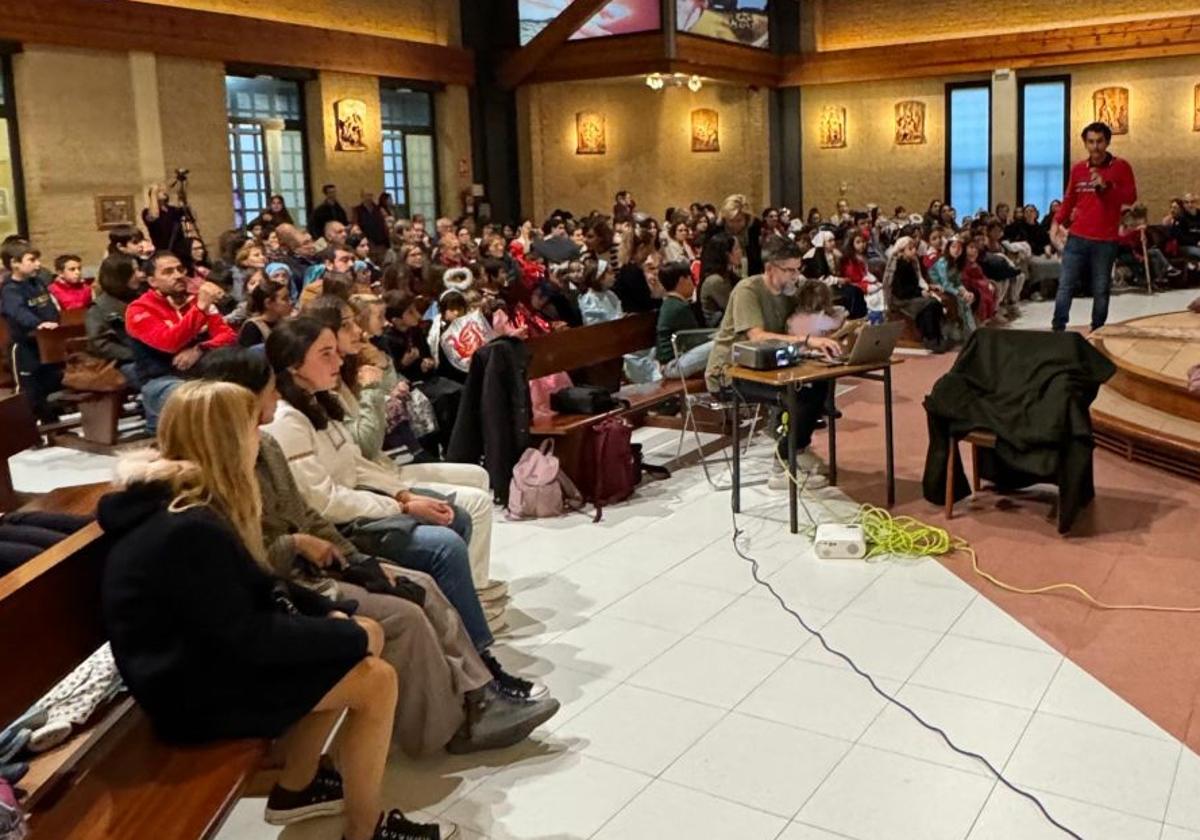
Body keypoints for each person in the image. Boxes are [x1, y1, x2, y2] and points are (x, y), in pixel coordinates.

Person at [99, 379, 453, 840]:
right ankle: (364, 831)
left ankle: (298, 785)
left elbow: (254, 585)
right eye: (251, 429)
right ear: (226, 441)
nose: (260, 439)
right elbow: (247, 635)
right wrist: (346, 633)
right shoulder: (185, 527)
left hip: (199, 665)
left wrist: (327, 610)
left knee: (352, 645)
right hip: (188, 692)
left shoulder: (189, 504)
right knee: (374, 679)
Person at [196, 348, 559, 757]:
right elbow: (251, 555)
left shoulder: (268, 441)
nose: (276, 395)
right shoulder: (242, 453)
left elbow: (310, 511)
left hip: (325, 548)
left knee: (418, 582)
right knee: (409, 607)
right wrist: (308, 542)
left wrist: (356, 559)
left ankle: (480, 691)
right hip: (288, 583)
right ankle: (447, 727)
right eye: (326, 351)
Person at [262, 319, 535, 663]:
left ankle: (456, 631)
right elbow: (326, 502)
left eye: (336, 351)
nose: (339, 361)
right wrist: (401, 508)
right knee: (446, 545)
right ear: (293, 364)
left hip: (359, 503)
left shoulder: (317, 402)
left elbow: (357, 462)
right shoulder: (288, 420)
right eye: (325, 354)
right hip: (336, 529)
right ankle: (481, 658)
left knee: (458, 516)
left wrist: (405, 496)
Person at [704, 236, 842, 490]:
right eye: (789, 270)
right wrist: (807, 340)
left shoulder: (787, 294)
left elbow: (792, 332)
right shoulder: (748, 290)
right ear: (770, 268)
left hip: (769, 369)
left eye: (797, 269)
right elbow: (757, 337)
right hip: (730, 373)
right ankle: (782, 464)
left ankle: (797, 447)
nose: (795, 276)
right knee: (799, 392)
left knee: (819, 382)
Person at [125, 251, 237, 433]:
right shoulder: (139, 310)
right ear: (152, 281)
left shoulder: (195, 301)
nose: (178, 275)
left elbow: (228, 336)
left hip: (202, 371)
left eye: (180, 269)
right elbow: (169, 342)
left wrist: (200, 348)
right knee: (196, 400)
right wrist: (200, 309)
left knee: (258, 357)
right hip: (163, 378)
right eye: (168, 272)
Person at [1050, 121, 1138, 332]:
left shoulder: (1121, 167)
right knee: (1066, 285)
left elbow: (1131, 197)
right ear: (1085, 143)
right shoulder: (1079, 169)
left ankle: (1097, 330)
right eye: (1091, 142)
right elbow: (1070, 198)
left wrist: (1107, 187)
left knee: (1100, 288)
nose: (1095, 147)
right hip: (1077, 237)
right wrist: (1057, 222)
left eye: (1099, 142)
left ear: (1107, 142)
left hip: (1105, 240)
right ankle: (1058, 328)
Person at [0, 241, 61, 420]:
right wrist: (37, 324)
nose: (38, 264)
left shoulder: (37, 282)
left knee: (48, 383)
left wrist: (54, 320)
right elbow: (17, 311)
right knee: (29, 389)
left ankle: (51, 423)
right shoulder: (10, 289)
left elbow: (49, 305)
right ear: (14, 263)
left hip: (44, 343)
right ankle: (27, 430)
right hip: (23, 346)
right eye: (31, 260)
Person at [87, 254, 146, 387]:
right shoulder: (100, 307)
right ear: (121, 276)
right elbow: (100, 344)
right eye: (135, 271)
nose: (140, 275)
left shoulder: (142, 298)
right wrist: (136, 355)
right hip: (123, 362)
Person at [656, 262, 711, 379]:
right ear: (682, 280)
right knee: (721, 344)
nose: (693, 282)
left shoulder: (671, 303)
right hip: (673, 365)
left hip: (672, 363)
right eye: (691, 278)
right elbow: (695, 339)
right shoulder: (678, 307)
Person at [698, 232, 741, 327]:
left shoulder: (728, 275)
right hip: (719, 330)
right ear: (727, 254)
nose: (740, 252)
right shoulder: (715, 280)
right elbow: (735, 307)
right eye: (737, 249)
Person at [238, 279, 293, 347]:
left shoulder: (286, 323)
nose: (290, 302)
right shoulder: (253, 328)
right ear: (268, 303)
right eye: (285, 299)